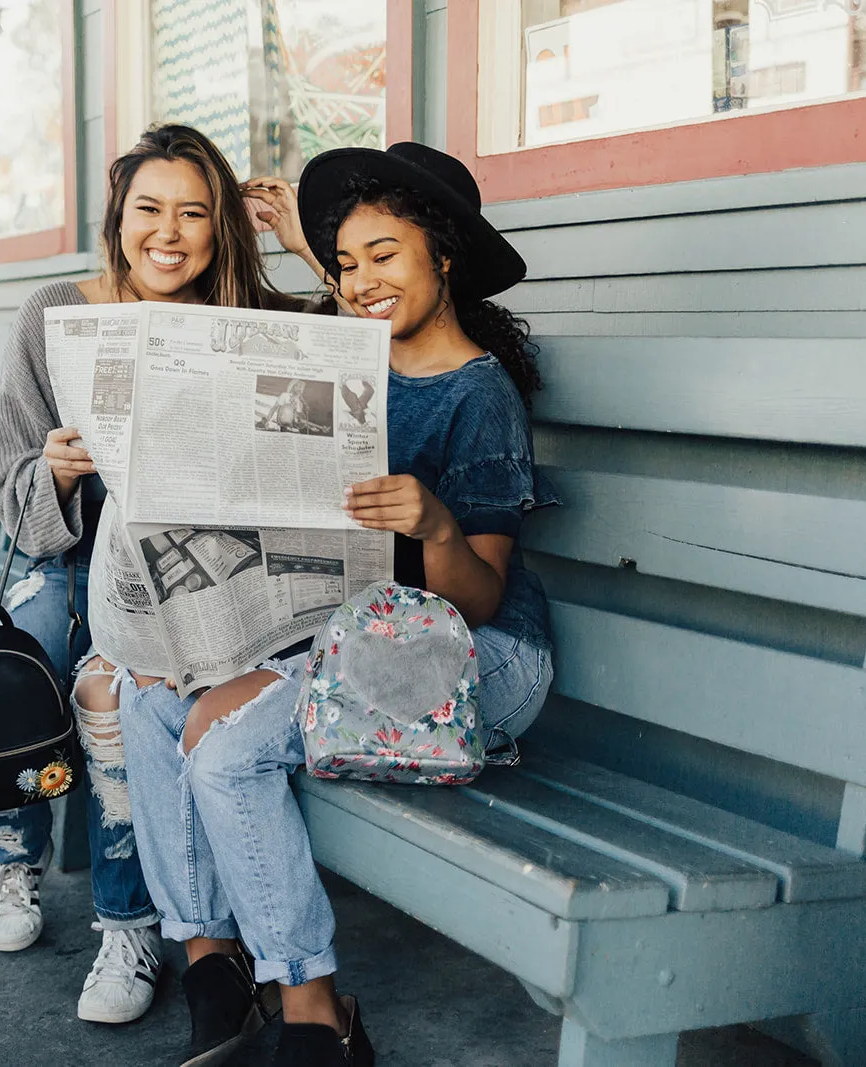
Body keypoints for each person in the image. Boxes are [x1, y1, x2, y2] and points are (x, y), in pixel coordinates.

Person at [115, 143, 560, 1066]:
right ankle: (213, 974)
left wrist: (436, 525)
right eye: (347, 264)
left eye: (384, 258)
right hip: (361, 632)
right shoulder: (358, 365)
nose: (360, 283)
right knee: (151, 696)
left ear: (445, 258)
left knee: (227, 750)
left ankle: (317, 1019)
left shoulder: (481, 398)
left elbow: (479, 595)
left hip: (477, 660)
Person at [0, 123, 311, 1025]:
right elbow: (9, 488)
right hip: (71, 553)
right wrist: (54, 471)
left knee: (111, 693)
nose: (169, 232)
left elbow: (347, 366)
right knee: (14, 668)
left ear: (221, 228)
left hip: (192, 578)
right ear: (118, 218)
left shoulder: (241, 319)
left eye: (195, 213)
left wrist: (305, 247)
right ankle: (14, 855)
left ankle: (127, 924)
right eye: (149, 210)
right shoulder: (55, 311)